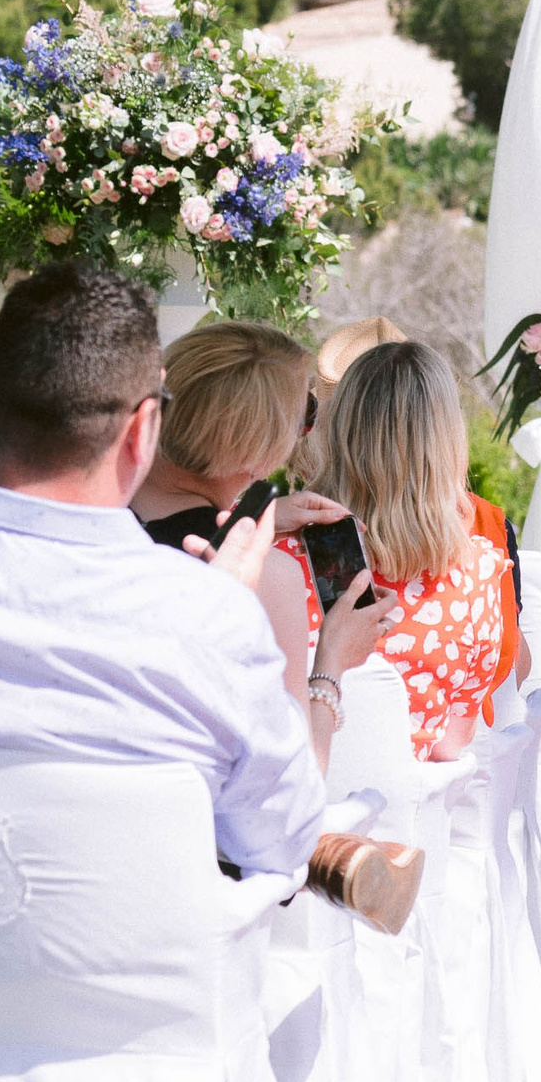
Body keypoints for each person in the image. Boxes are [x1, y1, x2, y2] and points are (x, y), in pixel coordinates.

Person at [0, 262, 326, 884]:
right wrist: (234, 624)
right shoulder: (208, 614)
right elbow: (283, 844)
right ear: (146, 427)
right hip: (127, 971)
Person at [131, 320, 398, 773]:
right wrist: (332, 661)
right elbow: (297, 784)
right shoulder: (266, 578)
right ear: (259, 451)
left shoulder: (90, 527)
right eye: (305, 416)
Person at [317, 341, 510, 762]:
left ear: (343, 433)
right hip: (402, 820)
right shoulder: (477, 575)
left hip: (300, 807)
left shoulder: (288, 557)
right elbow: (450, 745)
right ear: (448, 444)